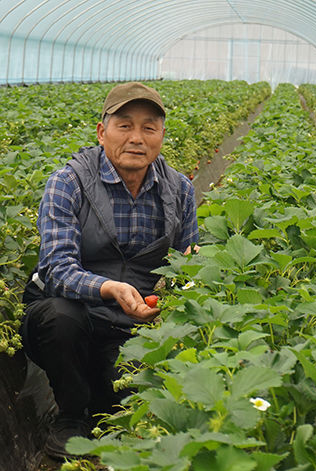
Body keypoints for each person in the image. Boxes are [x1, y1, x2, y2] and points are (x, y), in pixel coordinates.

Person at [20, 82, 199, 460]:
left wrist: (180, 280)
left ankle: (103, 400)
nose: (137, 138)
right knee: (58, 318)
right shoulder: (68, 183)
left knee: (121, 402)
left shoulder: (179, 190)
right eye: (125, 126)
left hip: (133, 324)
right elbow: (56, 268)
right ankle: (70, 414)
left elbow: (188, 261)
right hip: (75, 316)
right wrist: (109, 288)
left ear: (162, 136)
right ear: (102, 132)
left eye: (149, 127)